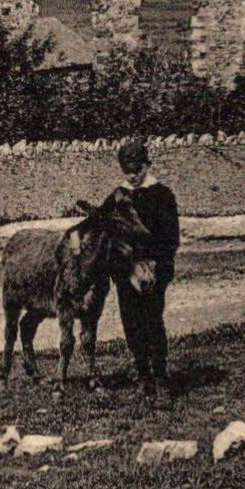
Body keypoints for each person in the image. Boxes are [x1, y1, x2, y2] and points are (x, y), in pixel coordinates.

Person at [99, 138, 180, 399]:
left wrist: (154, 264)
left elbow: (170, 237)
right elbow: (101, 226)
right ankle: (143, 374)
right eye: (128, 171)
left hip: (153, 270)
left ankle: (160, 374)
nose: (133, 176)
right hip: (125, 272)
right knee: (131, 322)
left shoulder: (162, 195)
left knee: (152, 319)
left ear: (147, 165)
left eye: (138, 170)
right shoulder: (116, 196)